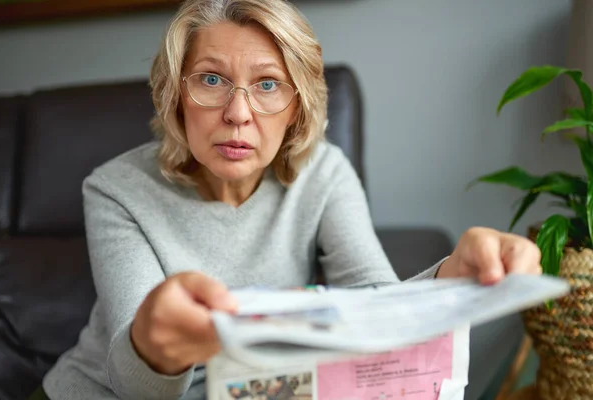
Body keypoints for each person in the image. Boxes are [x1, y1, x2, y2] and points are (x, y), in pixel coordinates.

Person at [37, 0, 542, 399]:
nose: (238, 112)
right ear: (175, 96)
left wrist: (453, 275)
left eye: (268, 84)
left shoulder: (324, 171)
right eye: (211, 80)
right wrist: (153, 342)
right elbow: (134, 389)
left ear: (297, 107)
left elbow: (378, 308)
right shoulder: (114, 189)